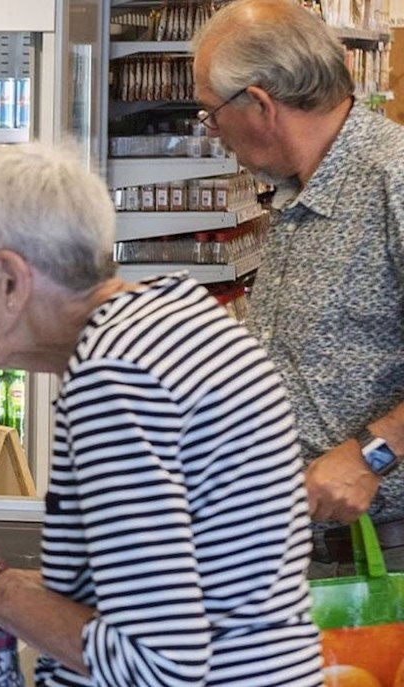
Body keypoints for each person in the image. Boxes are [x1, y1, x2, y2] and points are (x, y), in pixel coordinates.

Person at [0, 144, 321, 685]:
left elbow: (155, 665)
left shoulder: (116, 379)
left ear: (10, 276)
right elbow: (165, 594)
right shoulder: (177, 320)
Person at [193, 0, 404, 574]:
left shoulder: (394, 180)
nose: (211, 132)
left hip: (381, 555)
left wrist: (372, 454)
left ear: (258, 104)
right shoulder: (299, 191)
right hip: (300, 551)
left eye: (210, 113)